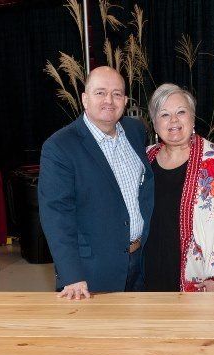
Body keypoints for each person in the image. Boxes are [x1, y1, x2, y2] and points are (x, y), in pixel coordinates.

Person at [38, 66, 154, 299]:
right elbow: (56, 215)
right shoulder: (59, 147)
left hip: (141, 261)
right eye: (100, 92)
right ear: (85, 99)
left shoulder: (135, 131)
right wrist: (71, 275)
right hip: (92, 272)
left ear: (125, 101)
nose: (109, 100)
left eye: (117, 94)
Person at [143, 83, 214, 292]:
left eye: (181, 112)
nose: (173, 120)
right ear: (154, 123)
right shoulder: (144, 158)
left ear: (193, 117)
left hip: (198, 280)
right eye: (164, 114)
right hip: (146, 273)